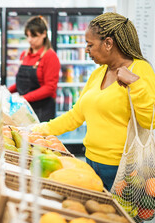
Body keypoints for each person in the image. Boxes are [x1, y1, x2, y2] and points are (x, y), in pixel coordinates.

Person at [36, 12, 155, 191]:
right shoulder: (98, 73)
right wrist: (40, 130)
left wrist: (135, 83)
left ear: (108, 43)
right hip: (90, 162)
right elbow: (76, 116)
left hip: (125, 169)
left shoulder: (140, 69)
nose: (86, 50)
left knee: (121, 219)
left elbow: (149, 121)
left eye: (90, 44)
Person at [8, 16, 60, 122]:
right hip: (25, 109)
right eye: (27, 36)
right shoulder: (25, 54)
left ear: (44, 34)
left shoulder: (50, 56)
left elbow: (50, 88)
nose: (29, 40)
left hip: (42, 110)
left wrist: (23, 99)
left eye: (34, 36)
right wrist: (5, 92)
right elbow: (22, 84)